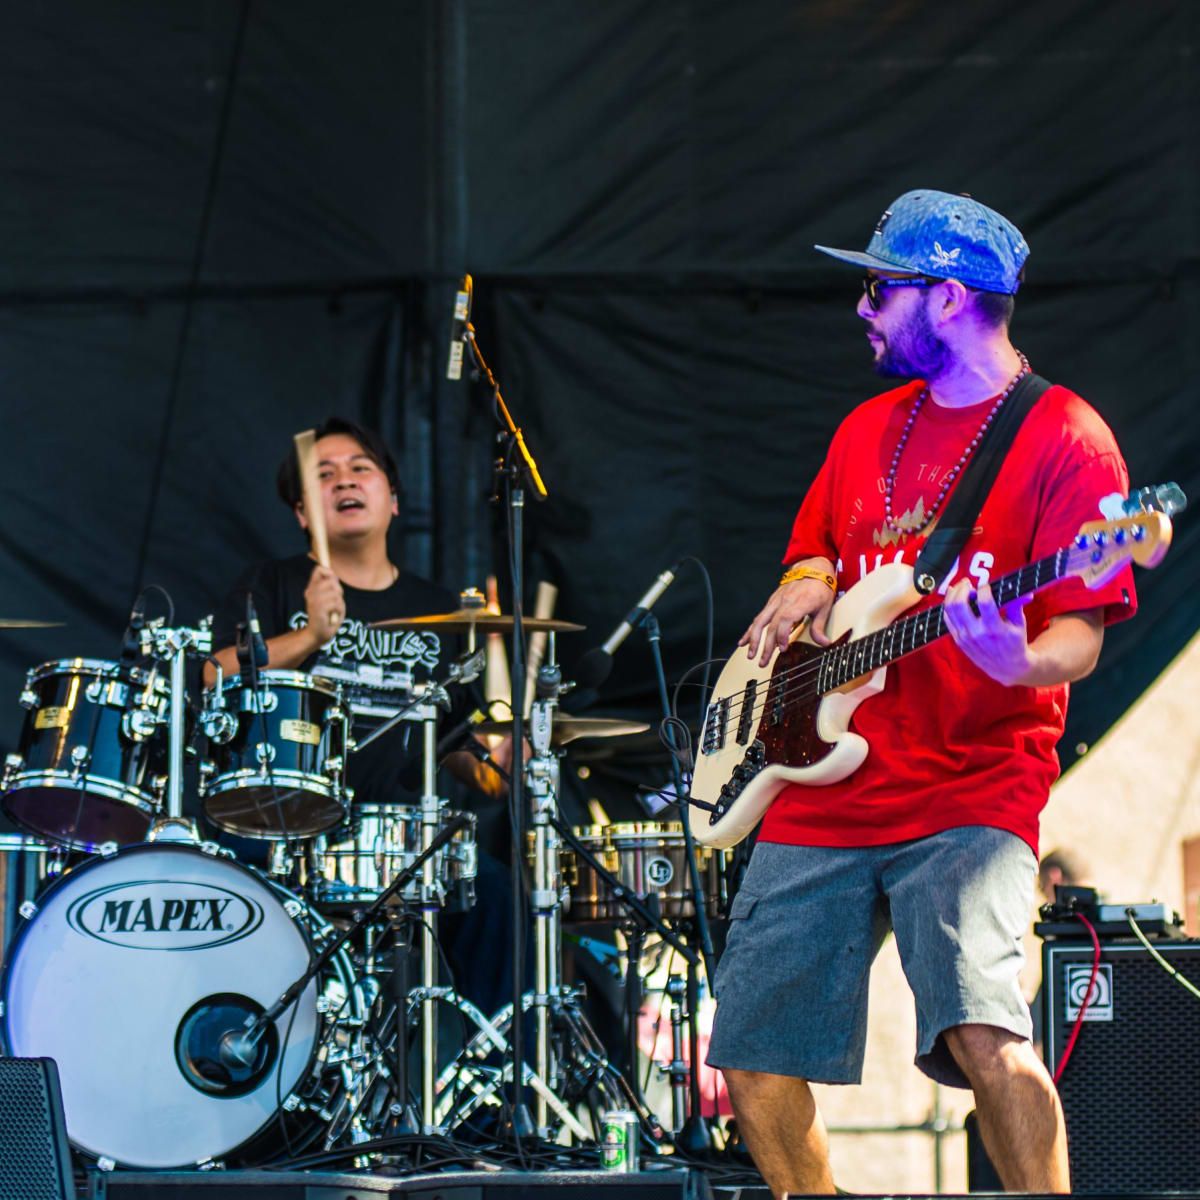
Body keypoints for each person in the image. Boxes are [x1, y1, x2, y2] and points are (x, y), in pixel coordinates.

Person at [705, 190, 1137, 1196]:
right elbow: (817, 544)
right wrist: (807, 576)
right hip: (820, 782)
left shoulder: (1069, 440)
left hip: (971, 785)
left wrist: (1013, 659)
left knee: (989, 1035)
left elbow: (1075, 635)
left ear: (946, 297)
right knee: (750, 1058)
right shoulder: (867, 427)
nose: (860, 306)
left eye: (877, 287)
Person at [206, 416, 515, 1015]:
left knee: (496, 892)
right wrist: (308, 637)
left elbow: (465, 752)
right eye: (323, 474)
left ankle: (486, 1087)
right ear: (303, 514)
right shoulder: (272, 584)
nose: (343, 479)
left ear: (392, 500)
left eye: (359, 468)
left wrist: (508, 757)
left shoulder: (437, 610)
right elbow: (211, 677)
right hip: (285, 829)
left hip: (400, 839)